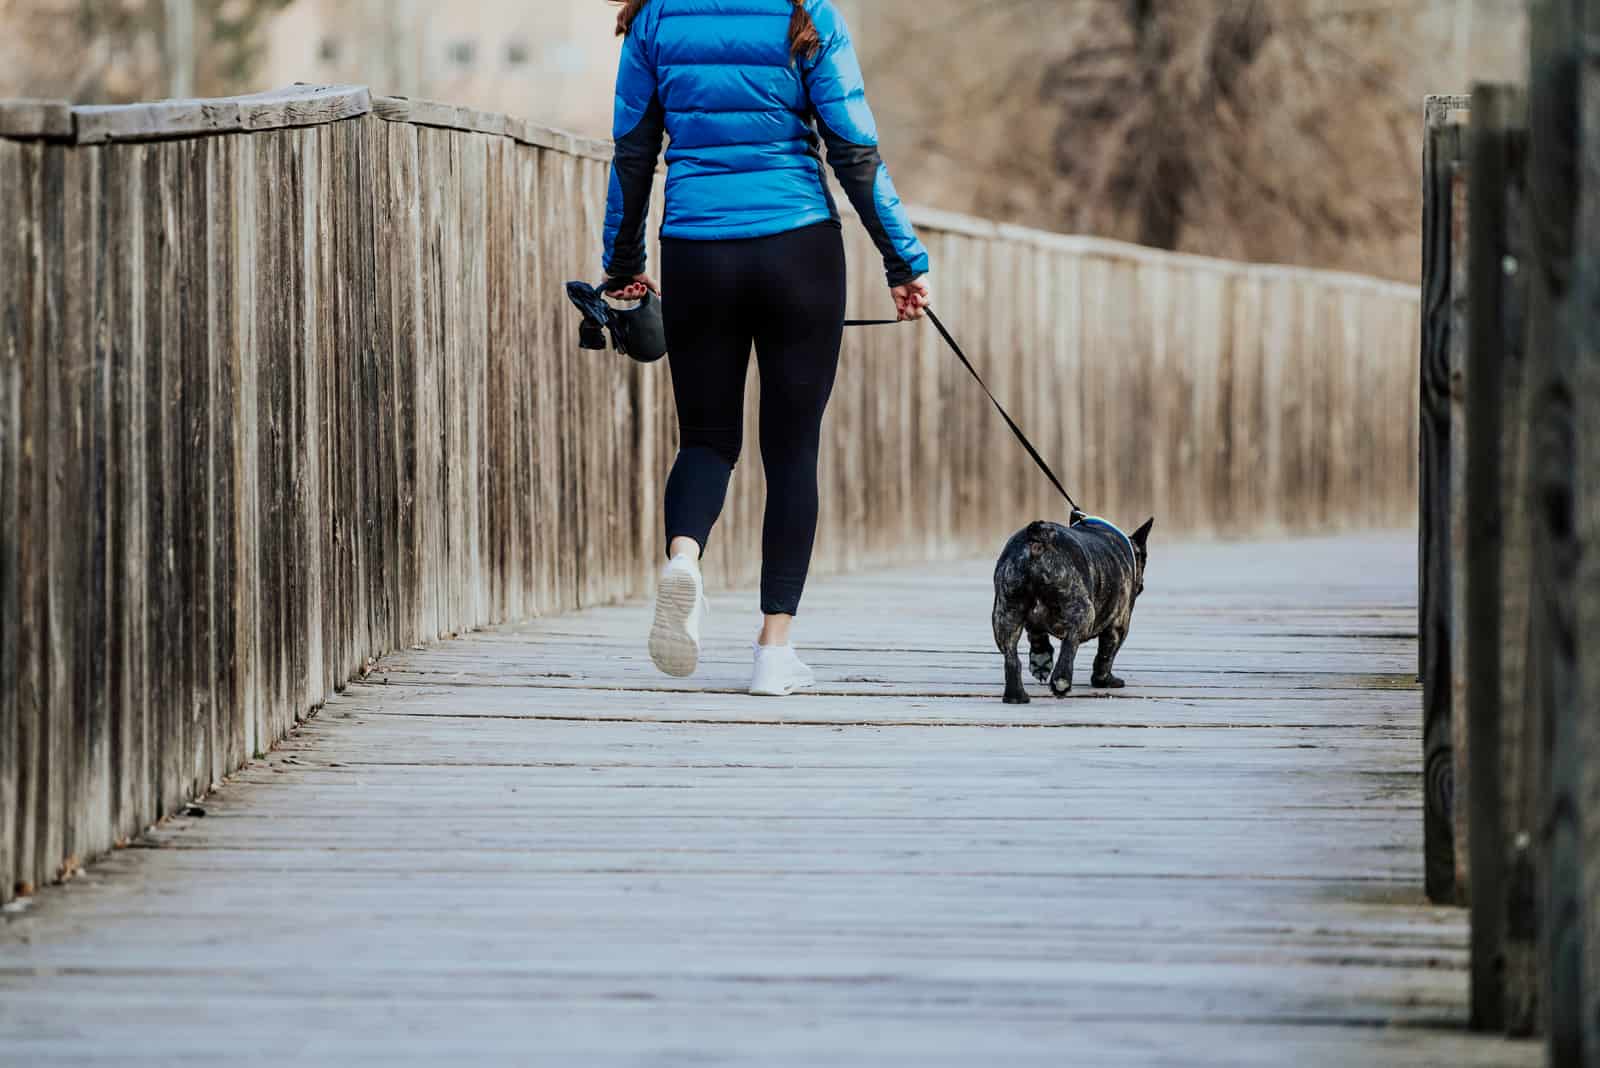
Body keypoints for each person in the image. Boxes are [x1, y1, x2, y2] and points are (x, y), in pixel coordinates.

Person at [602, 0, 932, 696]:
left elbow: (633, 151)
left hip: (696, 250)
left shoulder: (656, 18)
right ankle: (773, 651)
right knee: (792, 451)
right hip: (799, 248)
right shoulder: (804, 11)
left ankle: (685, 560)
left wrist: (623, 263)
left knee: (706, 441)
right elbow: (852, 147)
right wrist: (901, 260)